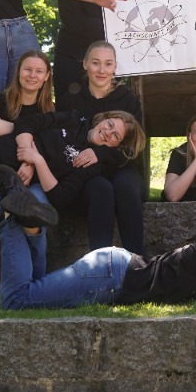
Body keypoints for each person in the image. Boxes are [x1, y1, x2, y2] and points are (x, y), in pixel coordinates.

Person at [0, 194, 196, 309]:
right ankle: (12, 221)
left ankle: (31, 227)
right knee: (16, 300)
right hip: (111, 277)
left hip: (114, 268)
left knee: (35, 289)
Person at [0, 49, 59, 302]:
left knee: (37, 207)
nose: (32, 75)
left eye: (39, 71)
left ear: (46, 76)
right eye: (27, 69)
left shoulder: (50, 110)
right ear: (18, 71)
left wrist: (30, 163)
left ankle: (37, 279)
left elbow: (50, 148)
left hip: (32, 179)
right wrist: (28, 129)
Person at [56, 40, 147, 254]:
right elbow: (60, 139)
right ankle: (100, 264)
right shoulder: (70, 99)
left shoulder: (127, 100)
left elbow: (134, 148)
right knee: (101, 189)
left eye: (108, 64)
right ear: (85, 64)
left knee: (125, 186)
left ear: (115, 67)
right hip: (85, 172)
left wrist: (101, 153)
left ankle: (137, 260)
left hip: (122, 166)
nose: (101, 70)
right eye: (95, 63)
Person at [14, 110, 146, 252]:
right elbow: (26, 121)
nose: (108, 132)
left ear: (118, 146)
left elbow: (60, 195)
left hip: (28, 182)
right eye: (109, 124)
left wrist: (37, 161)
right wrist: (28, 160)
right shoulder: (73, 119)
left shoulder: (92, 164)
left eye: (116, 136)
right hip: (15, 152)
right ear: (103, 119)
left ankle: (105, 260)